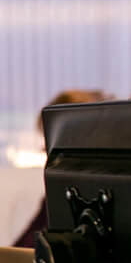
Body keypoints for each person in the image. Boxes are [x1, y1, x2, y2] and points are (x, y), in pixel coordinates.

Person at [14, 87, 109, 247]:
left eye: (51, 145)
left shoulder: (100, 199)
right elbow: (22, 250)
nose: (47, 155)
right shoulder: (57, 196)